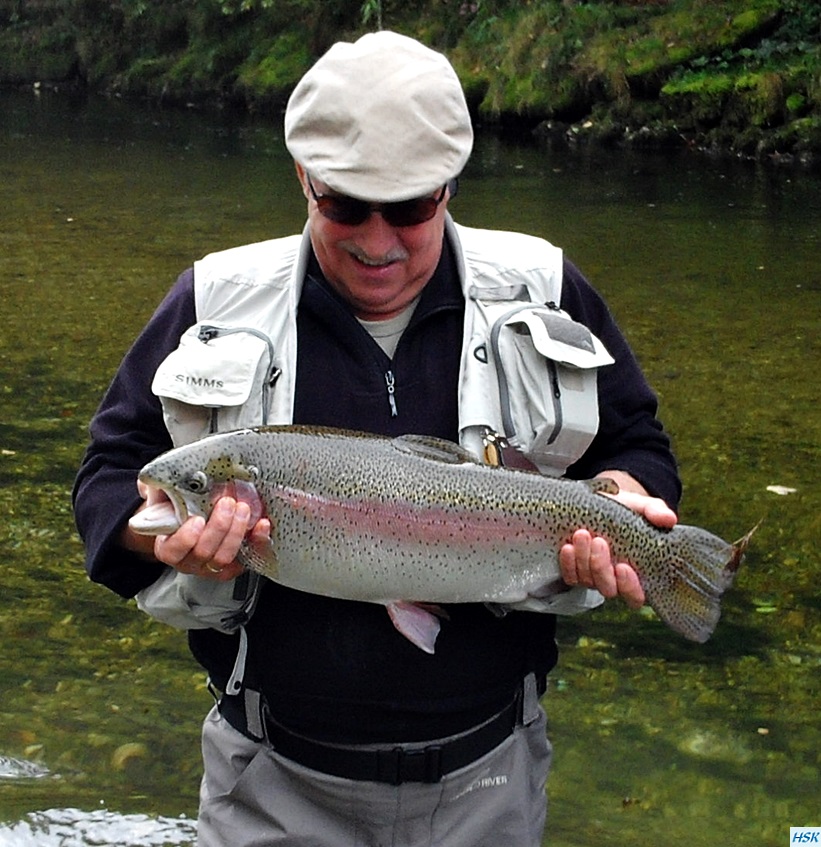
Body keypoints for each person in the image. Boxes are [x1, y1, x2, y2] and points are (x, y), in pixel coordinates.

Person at [73, 31, 680, 847]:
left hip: (489, 777)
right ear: (303, 179)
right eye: (345, 206)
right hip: (271, 782)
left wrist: (623, 501)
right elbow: (110, 478)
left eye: (410, 208)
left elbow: (638, 443)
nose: (377, 240)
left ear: (450, 185)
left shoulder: (542, 286)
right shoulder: (215, 301)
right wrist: (161, 544)